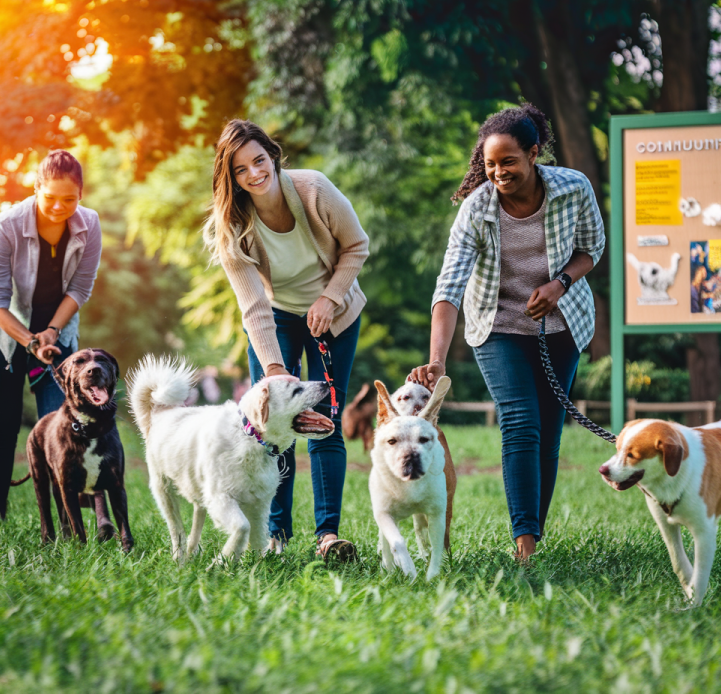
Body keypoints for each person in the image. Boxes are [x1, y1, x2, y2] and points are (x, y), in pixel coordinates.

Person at [410, 104, 605, 561]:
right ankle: (525, 546)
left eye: (509, 161)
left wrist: (560, 284)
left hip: (562, 323)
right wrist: (436, 359)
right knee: (520, 420)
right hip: (497, 326)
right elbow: (449, 287)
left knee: (548, 436)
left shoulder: (573, 188)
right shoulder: (477, 210)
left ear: (534, 153)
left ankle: (533, 530)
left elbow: (591, 248)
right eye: (491, 163)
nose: (498, 172)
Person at [204, 120, 369, 560]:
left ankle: (328, 536)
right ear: (232, 179)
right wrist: (276, 373)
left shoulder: (314, 190)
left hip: (335, 315)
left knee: (324, 419)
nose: (254, 174)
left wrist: (330, 299)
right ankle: (275, 534)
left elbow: (357, 246)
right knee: (271, 429)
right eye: (241, 170)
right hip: (275, 318)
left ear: (273, 158)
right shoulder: (232, 229)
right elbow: (254, 307)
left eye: (259, 161)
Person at [0, 150, 109, 527]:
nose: (59, 207)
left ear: (81, 195)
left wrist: (50, 332)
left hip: (57, 329)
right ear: (36, 189)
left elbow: (81, 287)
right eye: (50, 197)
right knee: (2, 425)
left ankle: (69, 521)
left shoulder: (90, 224)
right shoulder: (5, 226)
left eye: (70, 199)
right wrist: (31, 341)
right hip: (1, 331)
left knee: (64, 423)